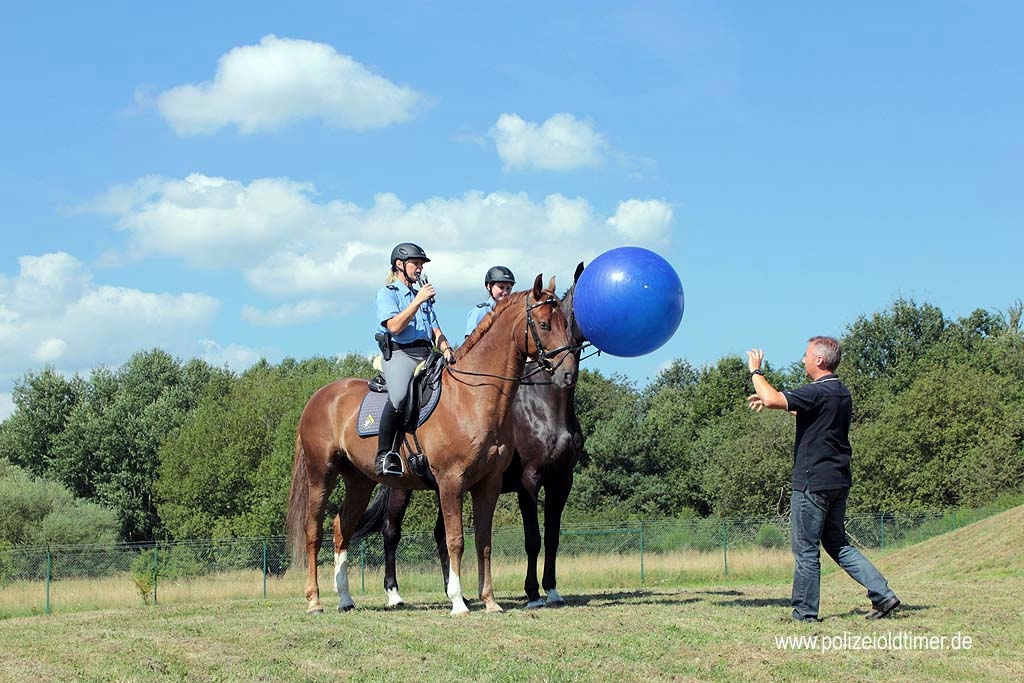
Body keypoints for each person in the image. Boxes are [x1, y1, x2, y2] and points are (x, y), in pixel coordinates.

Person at [746, 336, 900, 623]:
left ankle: (804, 613)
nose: (803, 359)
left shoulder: (818, 391)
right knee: (838, 544)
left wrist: (756, 371)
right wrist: (775, 404)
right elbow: (795, 406)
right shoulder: (840, 392)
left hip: (812, 483)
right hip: (838, 481)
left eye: (806, 355)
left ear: (819, 360)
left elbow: (772, 397)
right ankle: (883, 595)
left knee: (805, 549)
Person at [374, 242, 456, 477]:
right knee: (399, 397)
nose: (420, 268)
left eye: (421, 264)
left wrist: (447, 349)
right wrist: (418, 300)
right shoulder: (387, 294)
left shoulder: (423, 294)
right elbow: (395, 326)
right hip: (402, 353)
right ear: (400, 265)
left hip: (427, 353)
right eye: (416, 264)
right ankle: (384, 455)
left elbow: (435, 330)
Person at [464, 265, 516, 337]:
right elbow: (469, 341)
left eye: (508, 288)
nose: (505, 292)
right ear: (489, 286)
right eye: (501, 287)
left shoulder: (511, 312)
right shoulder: (480, 311)